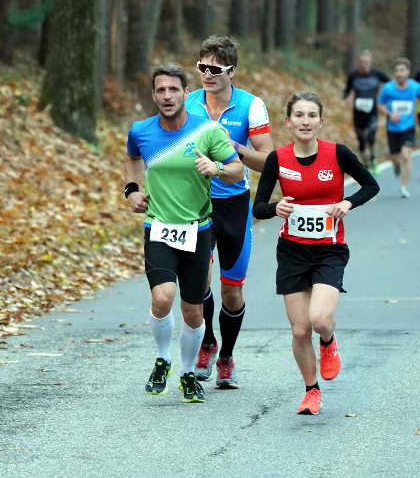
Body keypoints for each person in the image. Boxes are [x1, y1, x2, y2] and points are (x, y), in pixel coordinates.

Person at [252, 91, 379, 415]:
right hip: (292, 251)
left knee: (320, 319)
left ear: (321, 121)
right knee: (298, 329)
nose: (305, 121)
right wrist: (275, 207)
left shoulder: (338, 154)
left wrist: (348, 202)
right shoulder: (277, 159)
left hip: (329, 250)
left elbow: (370, 185)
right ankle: (311, 391)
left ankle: (329, 341)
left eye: (312, 115)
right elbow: (259, 207)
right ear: (289, 121)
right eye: (299, 115)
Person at [125, 63, 243, 403]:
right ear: (153, 95)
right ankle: (162, 359)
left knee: (193, 312)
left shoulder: (207, 132)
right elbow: (132, 157)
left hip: (197, 230)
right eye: (160, 90)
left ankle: (188, 372)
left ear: (185, 94)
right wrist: (131, 190)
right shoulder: (141, 130)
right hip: (158, 227)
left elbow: (236, 171)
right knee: (162, 298)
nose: (166, 96)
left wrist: (216, 167)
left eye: (173, 89)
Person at [185, 36, 274, 389]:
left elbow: (269, 160)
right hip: (194, 203)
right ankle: (208, 342)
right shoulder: (188, 104)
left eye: (215, 69)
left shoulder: (251, 106)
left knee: (231, 290)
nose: (207, 74)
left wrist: (233, 146)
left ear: (232, 71)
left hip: (235, 204)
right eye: (202, 67)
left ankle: (227, 357)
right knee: (198, 282)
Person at [377, 58, 420, 198]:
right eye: (397, 71)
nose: (399, 73)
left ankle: (403, 187)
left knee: (406, 155)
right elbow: (380, 104)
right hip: (392, 128)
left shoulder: (415, 86)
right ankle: (395, 165)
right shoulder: (388, 88)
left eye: (402, 70)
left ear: (408, 72)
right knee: (395, 157)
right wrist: (389, 113)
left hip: (408, 127)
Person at [343, 50, 390, 172]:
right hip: (358, 113)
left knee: (370, 137)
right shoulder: (353, 76)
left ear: (370, 61)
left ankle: (373, 157)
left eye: (366, 61)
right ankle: (366, 166)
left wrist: (382, 95)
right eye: (362, 61)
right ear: (359, 62)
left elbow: (390, 84)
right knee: (361, 140)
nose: (363, 64)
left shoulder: (376, 74)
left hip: (372, 112)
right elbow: (346, 90)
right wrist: (347, 97)